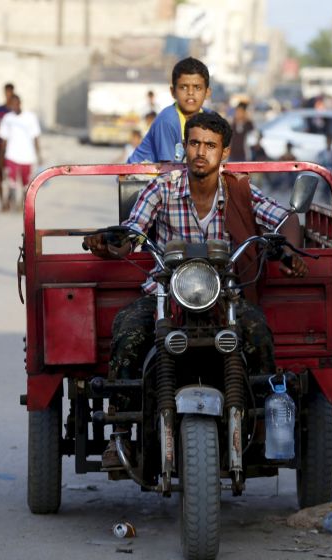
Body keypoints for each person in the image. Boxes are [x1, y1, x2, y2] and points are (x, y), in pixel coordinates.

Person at [84, 112, 309, 468]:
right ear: (184, 146)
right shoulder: (163, 188)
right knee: (127, 332)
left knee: (259, 334)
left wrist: (289, 252)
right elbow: (132, 231)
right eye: (194, 143)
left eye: (210, 145)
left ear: (224, 152)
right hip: (165, 297)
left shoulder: (240, 191)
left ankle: (260, 424)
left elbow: (286, 219)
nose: (200, 151)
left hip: (225, 298)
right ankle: (121, 435)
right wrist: (110, 241)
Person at [127, 57, 212, 163]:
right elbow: (168, 168)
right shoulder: (168, 120)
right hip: (139, 176)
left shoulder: (211, 119)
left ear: (207, 92)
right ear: (173, 92)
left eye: (197, 87)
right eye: (184, 87)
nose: (190, 92)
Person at [0, 94, 41, 211]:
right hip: (11, 155)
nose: (14, 106)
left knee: (26, 183)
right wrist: (0, 157)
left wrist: (39, 155)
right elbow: (3, 139)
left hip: (27, 156)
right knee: (11, 182)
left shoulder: (30, 117)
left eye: (15, 103)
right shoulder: (7, 118)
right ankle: (10, 203)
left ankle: (23, 204)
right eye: (11, 104)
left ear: (20, 103)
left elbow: (35, 137)